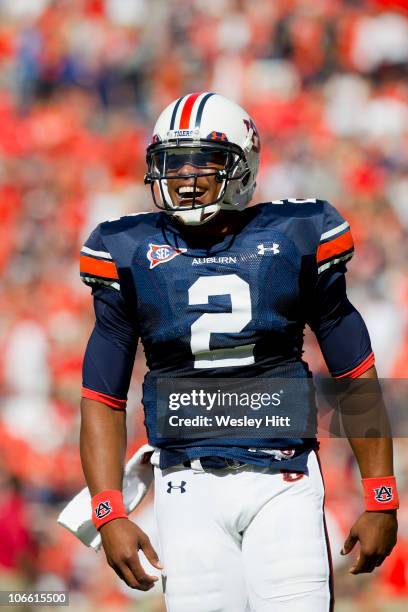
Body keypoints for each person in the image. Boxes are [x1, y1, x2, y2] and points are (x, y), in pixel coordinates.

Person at [79, 92, 398, 612]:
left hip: (285, 477)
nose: (185, 175)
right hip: (184, 482)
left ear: (243, 164)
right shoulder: (128, 249)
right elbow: (101, 394)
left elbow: (355, 371)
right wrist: (109, 511)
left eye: (204, 159)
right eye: (172, 160)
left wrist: (381, 494)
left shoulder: (296, 234)